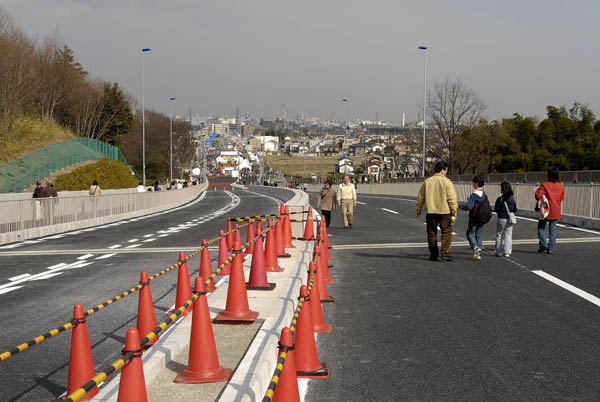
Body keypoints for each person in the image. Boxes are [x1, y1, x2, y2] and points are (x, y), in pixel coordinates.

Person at [416, 161, 458, 261]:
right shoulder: (447, 182)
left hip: (431, 211)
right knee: (446, 232)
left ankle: (433, 254)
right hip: (445, 211)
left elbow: (421, 197)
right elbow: (452, 198)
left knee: (431, 233)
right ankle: (445, 253)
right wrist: (454, 211)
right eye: (446, 170)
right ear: (442, 170)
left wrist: (419, 209)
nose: (446, 172)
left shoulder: (427, 181)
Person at [460, 175, 491, 260]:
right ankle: (478, 252)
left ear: (476, 184)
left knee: (469, 233)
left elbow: (469, 207)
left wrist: (460, 206)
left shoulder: (473, 196)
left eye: (473, 183)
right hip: (482, 218)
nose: (472, 184)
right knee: (479, 234)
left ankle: (475, 247)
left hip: (474, 218)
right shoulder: (484, 194)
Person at [535, 166, 564, 254]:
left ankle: (544, 244)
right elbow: (561, 198)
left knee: (541, 227)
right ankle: (551, 249)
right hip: (556, 209)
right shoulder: (560, 186)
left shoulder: (545, 185)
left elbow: (538, 196)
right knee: (553, 231)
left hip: (545, 209)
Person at [494, 182, 517, 257]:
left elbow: (496, 209)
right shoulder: (512, 199)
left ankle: (498, 251)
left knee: (499, 234)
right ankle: (507, 252)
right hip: (509, 218)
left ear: (503, 189)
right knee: (508, 235)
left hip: (501, 217)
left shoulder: (500, 199)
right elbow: (515, 209)